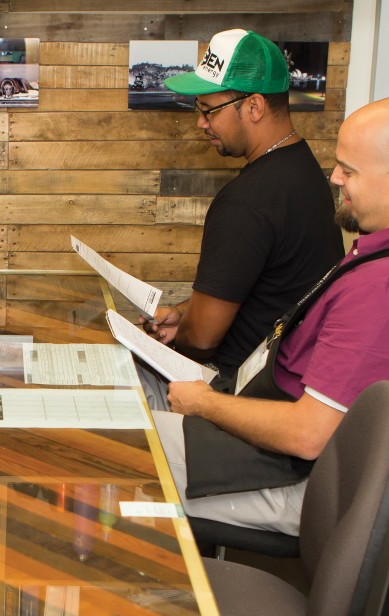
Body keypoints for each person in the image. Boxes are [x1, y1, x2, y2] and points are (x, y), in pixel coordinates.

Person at [155, 94, 389, 535]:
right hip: (276, 440)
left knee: (118, 447)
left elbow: (308, 434)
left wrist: (205, 404)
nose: (335, 178)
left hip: (300, 483)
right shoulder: (384, 253)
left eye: (349, 170)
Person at [142, 29, 343, 381]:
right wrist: (185, 315)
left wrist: (183, 335)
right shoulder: (304, 167)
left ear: (253, 107)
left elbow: (202, 341)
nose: (201, 122)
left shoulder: (246, 202)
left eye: (209, 110)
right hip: (285, 377)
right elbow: (266, 287)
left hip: (236, 389)